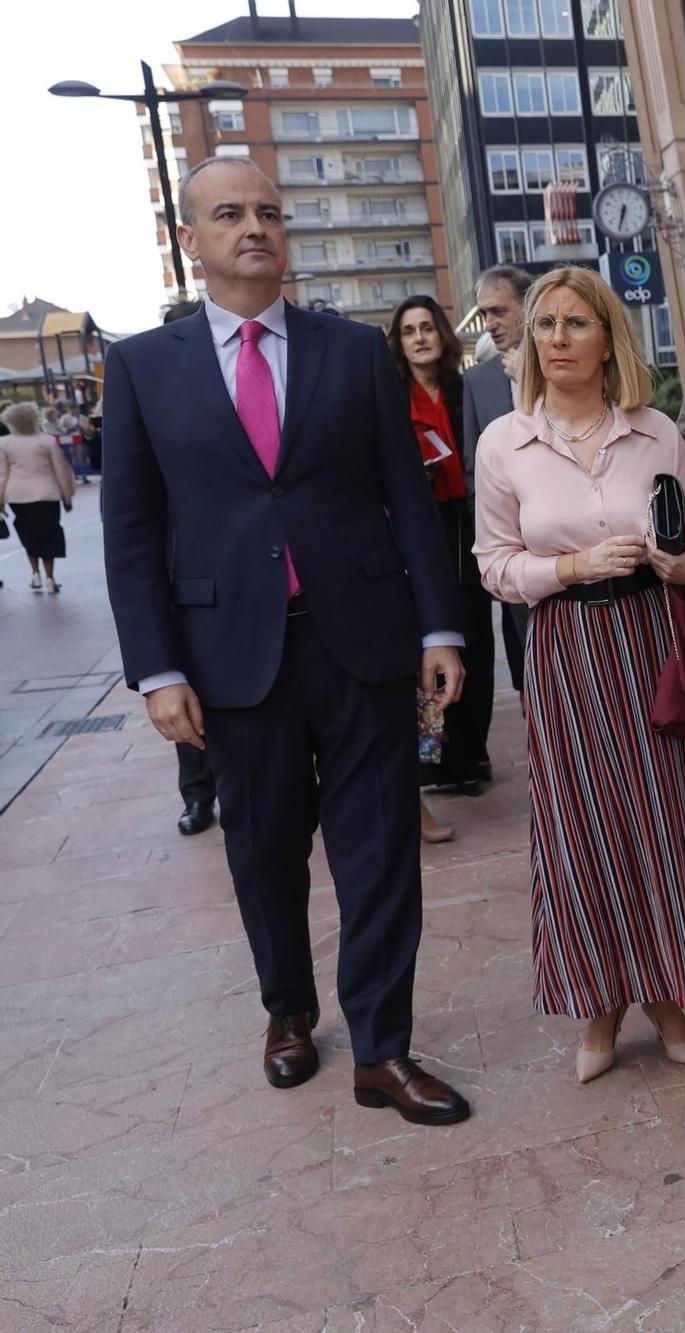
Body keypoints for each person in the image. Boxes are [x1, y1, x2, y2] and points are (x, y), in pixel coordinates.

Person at [100, 156, 472, 1125]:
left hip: (361, 639)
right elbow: (132, 528)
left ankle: (382, 1048)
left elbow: (409, 497)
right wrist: (157, 669)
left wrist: (441, 623)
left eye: (268, 211)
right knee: (263, 850)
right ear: (195, 238)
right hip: (229, 655)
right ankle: (289, 1011)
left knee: (380, 850)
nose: (254, 227)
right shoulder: (144, 365)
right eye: (230, 214)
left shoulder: (354, 353)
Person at [473, 265, 685, 1086]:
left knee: (666, 812)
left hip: (657, 639)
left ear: (609, 338)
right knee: (583, 826)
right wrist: (567, 566)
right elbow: (494, 563)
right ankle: (598, 999)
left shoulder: (652, 431)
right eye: (545, 325)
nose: (559, 339)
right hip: (568, 649)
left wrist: (682, 565)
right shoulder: (505, 441)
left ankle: (667, 993)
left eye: (577, 324)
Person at [388, 293, 488, 842]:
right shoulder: (391, 392)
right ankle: (435, 761)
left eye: (428, 327)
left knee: (473, 634)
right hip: (417, 526)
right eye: (409, 331)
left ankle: (470, 756)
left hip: (466, 519)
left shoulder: (461, 386)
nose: (421, 337)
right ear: (398, 343)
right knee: (432, 642)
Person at [152, 298, 219, 836]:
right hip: (181, 585)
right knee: (186, 700)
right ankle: (197, 795)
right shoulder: (155, 399)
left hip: (233, 582)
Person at [464, 265, 533, 706]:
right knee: (530, 660)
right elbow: (476, 475)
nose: (489, 323)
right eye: (484, 313)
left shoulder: (567, 364)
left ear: (527, 306)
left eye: (498, 311)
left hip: (577, 540)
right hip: (516, 551)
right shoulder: (478, 381)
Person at [0, 401, 77, 593]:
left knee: (28, 534)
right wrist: (67, 496)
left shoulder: (5, 443)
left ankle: (35, 574)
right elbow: (61, 470)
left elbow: (2, 473)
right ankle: (50, 577)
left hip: (18, 496)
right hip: (47, 493)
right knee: (49, 533)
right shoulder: (47, 441)